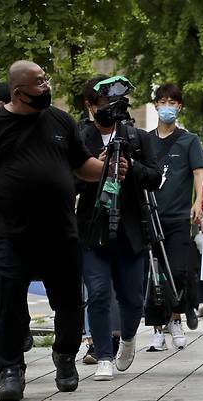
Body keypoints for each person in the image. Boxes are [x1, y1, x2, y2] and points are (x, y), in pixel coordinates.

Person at [0, 60, 126, 401]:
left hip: (60, 231)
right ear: (20, 92)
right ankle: (11, 370)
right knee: (7, 303)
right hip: (10, 233)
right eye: (39, 83)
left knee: (67, 301)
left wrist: (110, 167)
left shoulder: (61, 121)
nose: (46, 86)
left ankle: (65, 357)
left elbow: (84, 166)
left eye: (45, 79)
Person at [76, 75, 162, 380]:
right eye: (101, 104)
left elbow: (155, 177)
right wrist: (93, 170)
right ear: (89, 105)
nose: (108, 109)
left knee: (131, 297)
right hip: (91, 229)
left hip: (131, 229)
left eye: (113, 103)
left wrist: (132, 168)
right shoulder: (78, 138)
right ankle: (103, 354)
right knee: (98, 292)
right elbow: (64, 179)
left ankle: (127, 337)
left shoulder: (137, 138)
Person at [145, 83, 203, 351]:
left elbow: (198, 173)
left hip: (180, 217)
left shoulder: (189, 140)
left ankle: (176, 317)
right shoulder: (144, 140)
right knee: (154, 276)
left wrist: (199, 202)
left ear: (179, 106)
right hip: (150, 217)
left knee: (178, 271)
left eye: (173, 101)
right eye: (162, 101)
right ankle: (158, 328)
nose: (167, 106)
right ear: (155, 105)